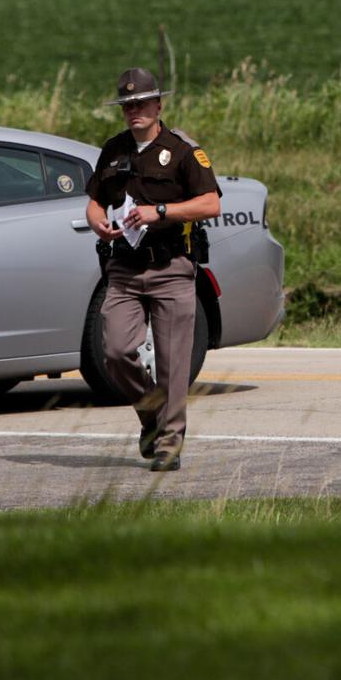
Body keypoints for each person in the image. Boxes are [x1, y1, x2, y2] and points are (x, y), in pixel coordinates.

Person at [85, 67, 221, 472]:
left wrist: (160, 211)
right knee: (115, 352)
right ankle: (151, 413)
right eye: (127, 105)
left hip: (171, 268)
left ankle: (169, 444)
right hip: (124, 269)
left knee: (173, 364)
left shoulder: (182, 150)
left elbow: (211, 203)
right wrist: (97, 222)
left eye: (141, 103)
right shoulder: (114, 150)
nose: (134, 110)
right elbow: (95, 201)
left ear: (158, 106)